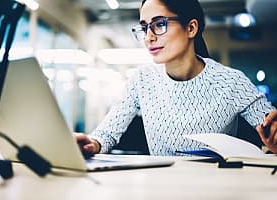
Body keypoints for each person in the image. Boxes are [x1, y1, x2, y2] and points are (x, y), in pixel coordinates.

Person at [74, 0, 277, 156]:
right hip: (161, 189)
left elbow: (272, 128)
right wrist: (93, 144)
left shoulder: (231, 82)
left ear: (191, 28)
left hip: (216, 189)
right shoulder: (142, 80)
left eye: (159, 24)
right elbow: (107, 133)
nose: (148, 37)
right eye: (145, 28)